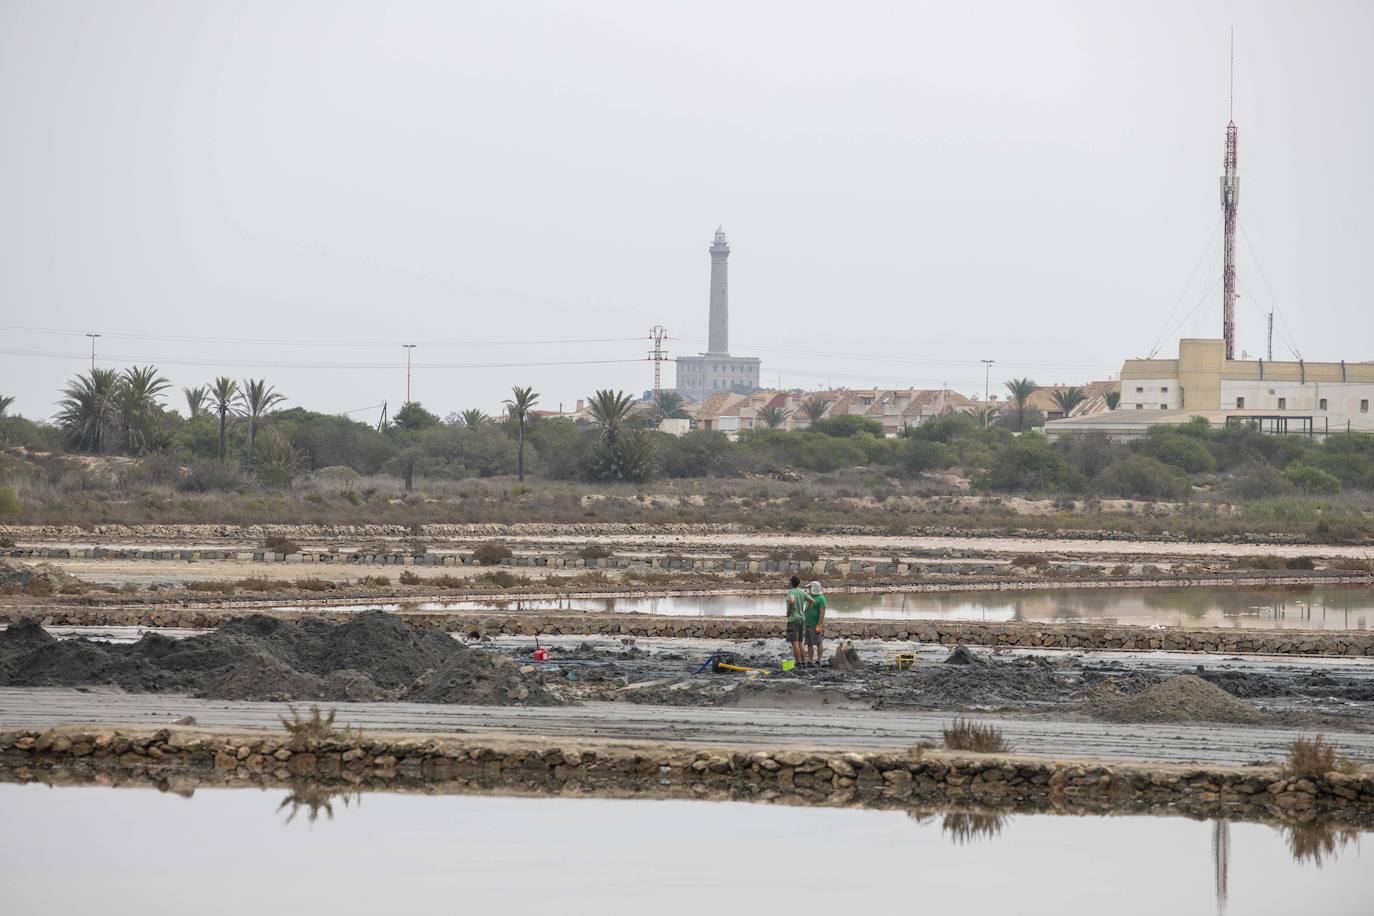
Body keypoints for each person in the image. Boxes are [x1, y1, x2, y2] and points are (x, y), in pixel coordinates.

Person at [784, 575, 809, 668]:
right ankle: (804, 662)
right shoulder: (802, 592)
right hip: (802, 619)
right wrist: (805, 610)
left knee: (794, 643)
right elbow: (812, 601)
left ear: (791, 583)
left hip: (793, 619)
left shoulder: (791, 592)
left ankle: (798, 663)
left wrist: (789, 611)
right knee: (800, 642)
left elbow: (791, 601)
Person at [804, 580, 827, 666]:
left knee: (818, 642)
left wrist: (819, 625)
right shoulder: (810, 598)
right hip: (808, 624)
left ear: (814, 589)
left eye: (810, 588)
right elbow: (806, 610)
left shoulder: (821, 599)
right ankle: (810, 660)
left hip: (815, 624)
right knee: (809, 643)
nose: (809, 590)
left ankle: (819, 660)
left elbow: (822, 613)